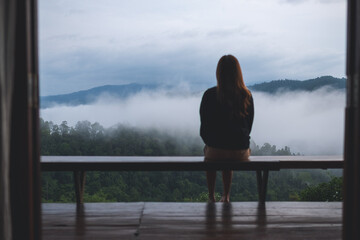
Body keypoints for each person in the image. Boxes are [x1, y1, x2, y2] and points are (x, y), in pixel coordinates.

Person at [200, 55, 254, 203]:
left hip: (215, 152)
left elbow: (204, 127)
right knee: (229, 147)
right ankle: (226, 195)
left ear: (219, 72)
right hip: (240, 152)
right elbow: (248, 127)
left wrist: (211, 141)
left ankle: (211, 196)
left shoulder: (210, 95)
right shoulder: (246, 95)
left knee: (211, 150)